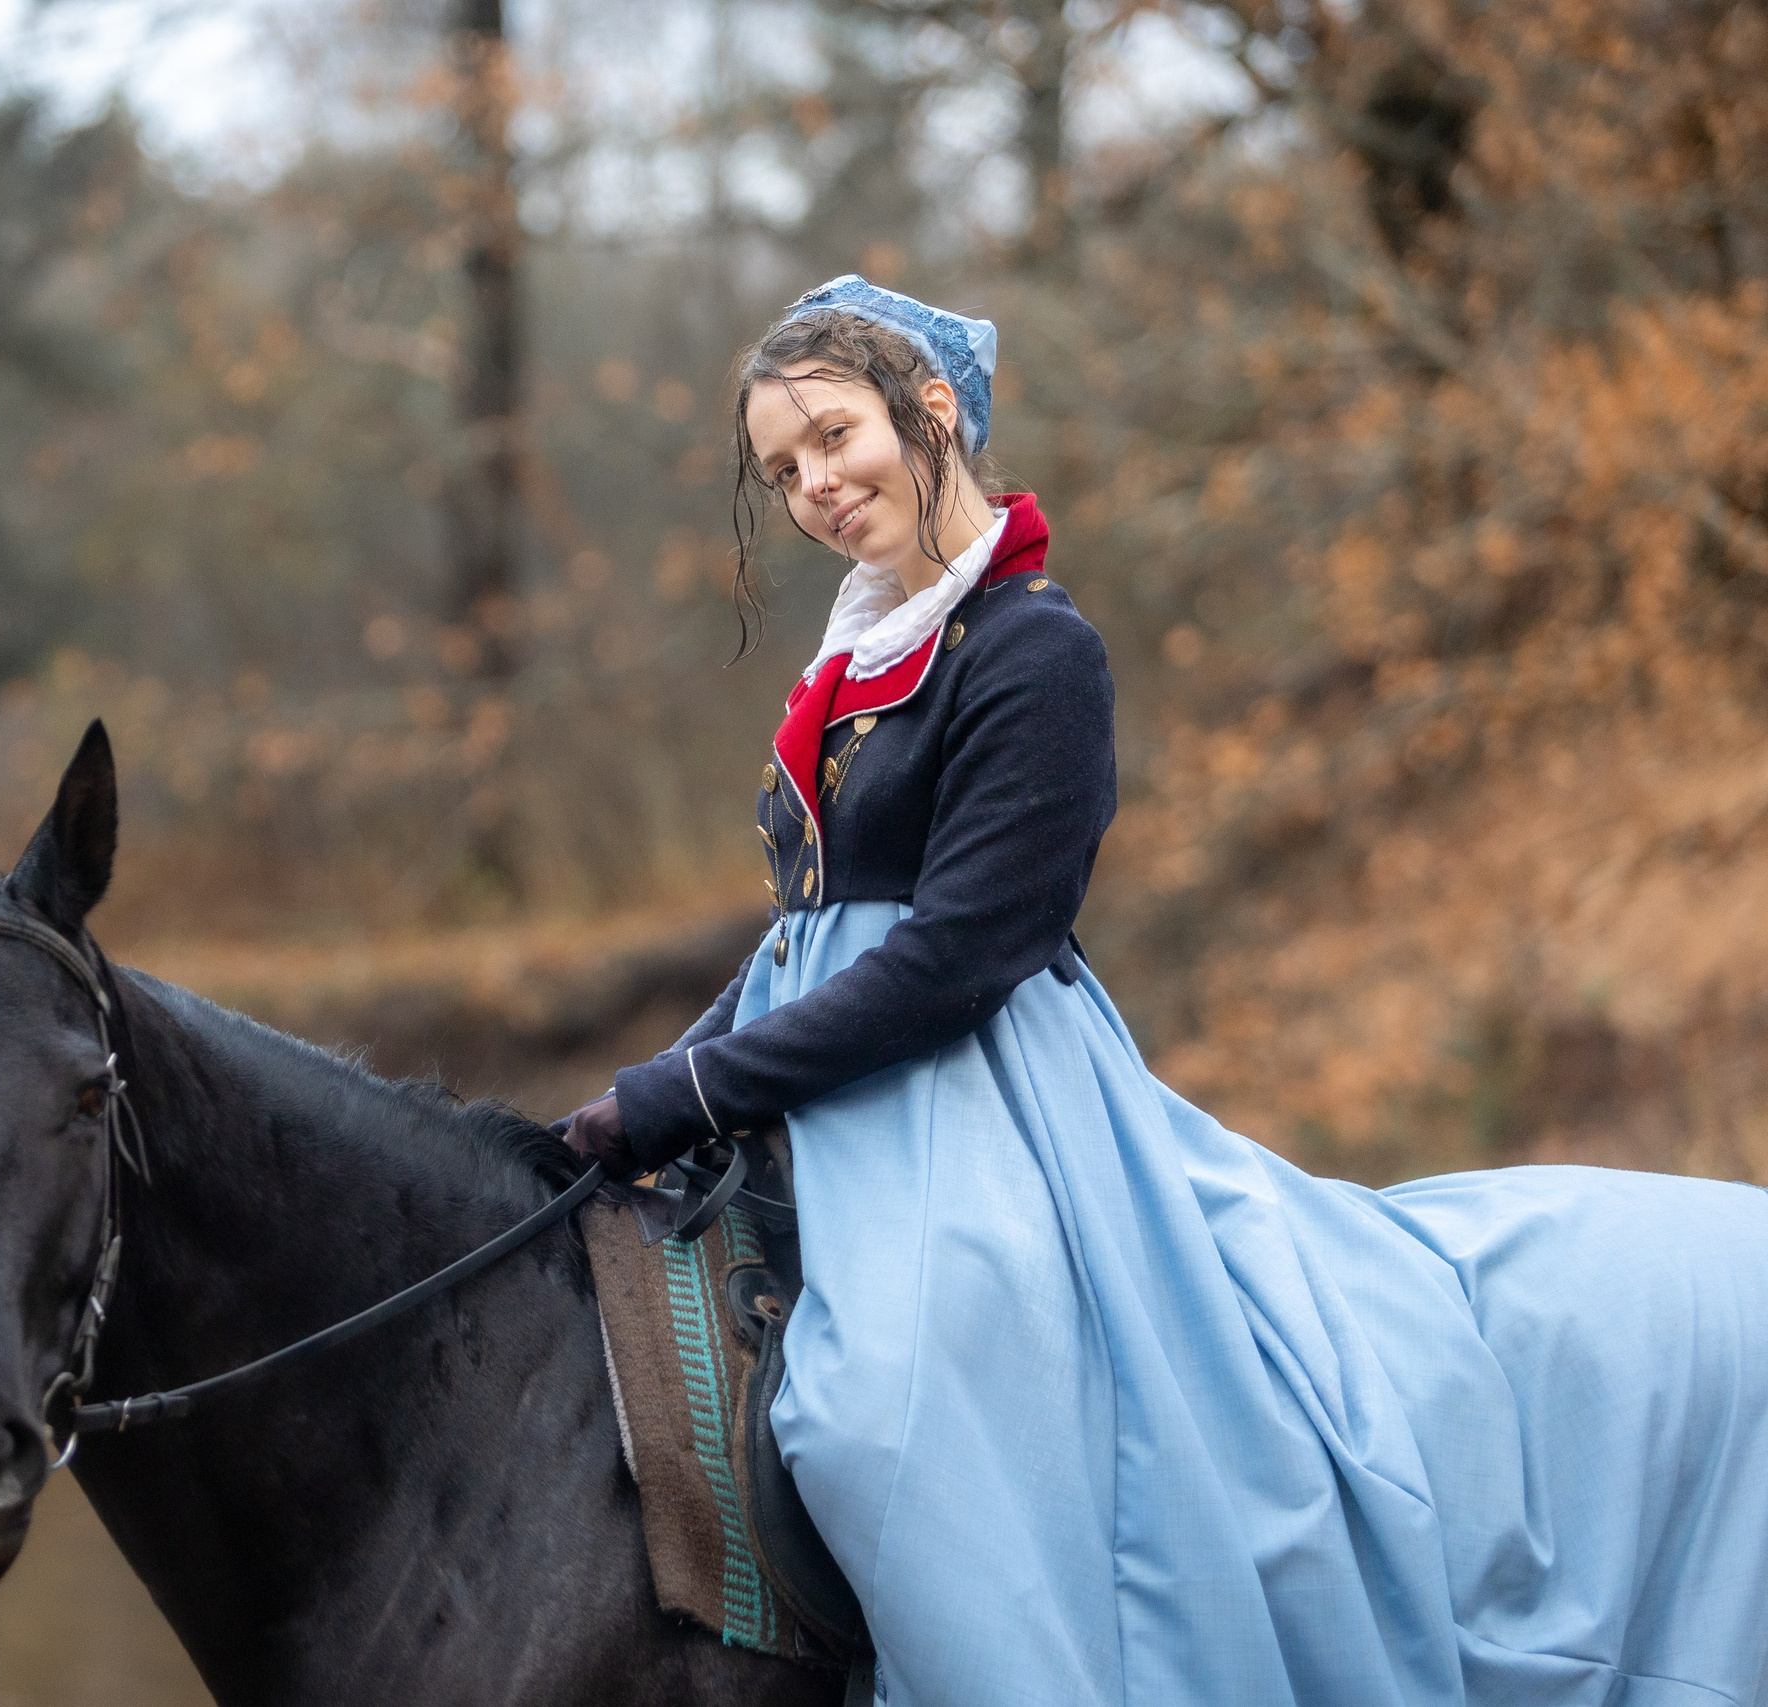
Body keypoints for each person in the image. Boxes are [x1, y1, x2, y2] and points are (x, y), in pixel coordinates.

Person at [562, 275, 1768, 1707]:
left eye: (835, 437)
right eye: (784, 469)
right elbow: (799, 942)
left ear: (930, 411)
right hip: (844, 1085)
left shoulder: (1031, 653)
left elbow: (962, 953)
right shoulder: (859, 661)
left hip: (979, 1096)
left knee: (874, 1422)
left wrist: (695, 1086)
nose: (816, 486)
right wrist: (643, 1102)